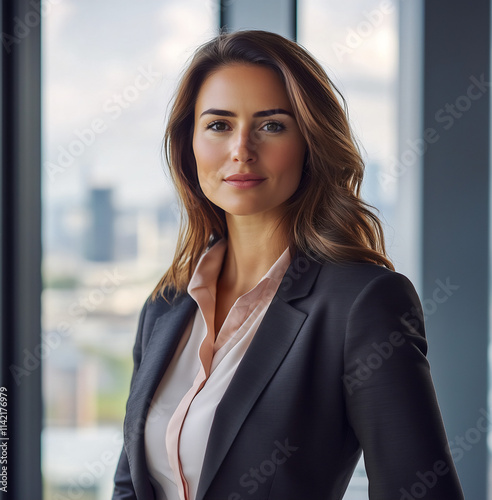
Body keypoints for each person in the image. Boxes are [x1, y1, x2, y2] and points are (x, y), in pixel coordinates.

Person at [112, 29, 464, 500]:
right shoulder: (166, 306)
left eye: (272, 125)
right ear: (188, 145)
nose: (241, 149)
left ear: (310, 143)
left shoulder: (362, 302)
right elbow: (130, 487)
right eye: (219, 125)